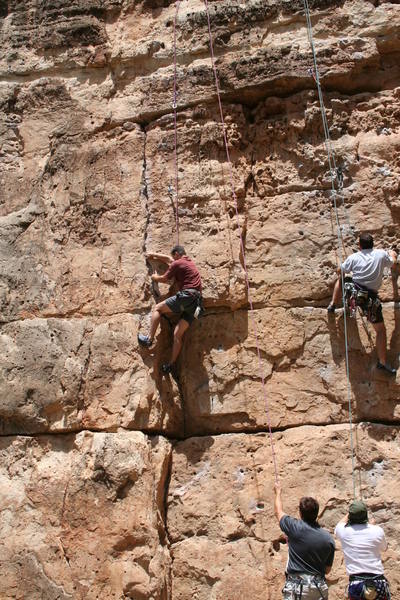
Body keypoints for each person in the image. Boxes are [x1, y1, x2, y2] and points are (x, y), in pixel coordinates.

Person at [327, 233, 397, 375]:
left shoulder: (354, 257)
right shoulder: (380, 254)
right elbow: (392, 262)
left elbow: (340, 271)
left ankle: (333, 304)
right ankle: (382, 362)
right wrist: (393, 253)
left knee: (342, 278)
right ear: (373, 243)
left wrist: (342, 267)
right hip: (369, 300)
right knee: (380, 331)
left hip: (355, 293)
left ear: (359, 245)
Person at [138, 245, 203, 373]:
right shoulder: (188, 262)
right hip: (196, 304)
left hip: (186, 297)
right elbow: (169, 259)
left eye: (174, 257)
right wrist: (154, 255)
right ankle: (170, 365)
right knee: (177, 334)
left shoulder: (178, 263)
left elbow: (164, 279)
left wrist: (154, 277)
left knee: (158, 309)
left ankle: (149, 340)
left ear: (177, 254)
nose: (173, 260)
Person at [274, 482, 335, 599]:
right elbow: (327, 570)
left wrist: (278, 492)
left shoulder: (294, 527)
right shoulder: (328, 538)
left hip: (297, 587)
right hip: (318, 588)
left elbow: (278, 512)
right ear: (317, 514)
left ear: (300, 513)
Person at [335, 500, 390, 600]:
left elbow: (339, 524)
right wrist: (372, 525)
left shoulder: (343, 531)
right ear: (365, 515)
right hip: (378, 583)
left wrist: (351, 513)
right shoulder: (377, 530)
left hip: (357, 584)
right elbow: (384, 548)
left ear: (351, 515)